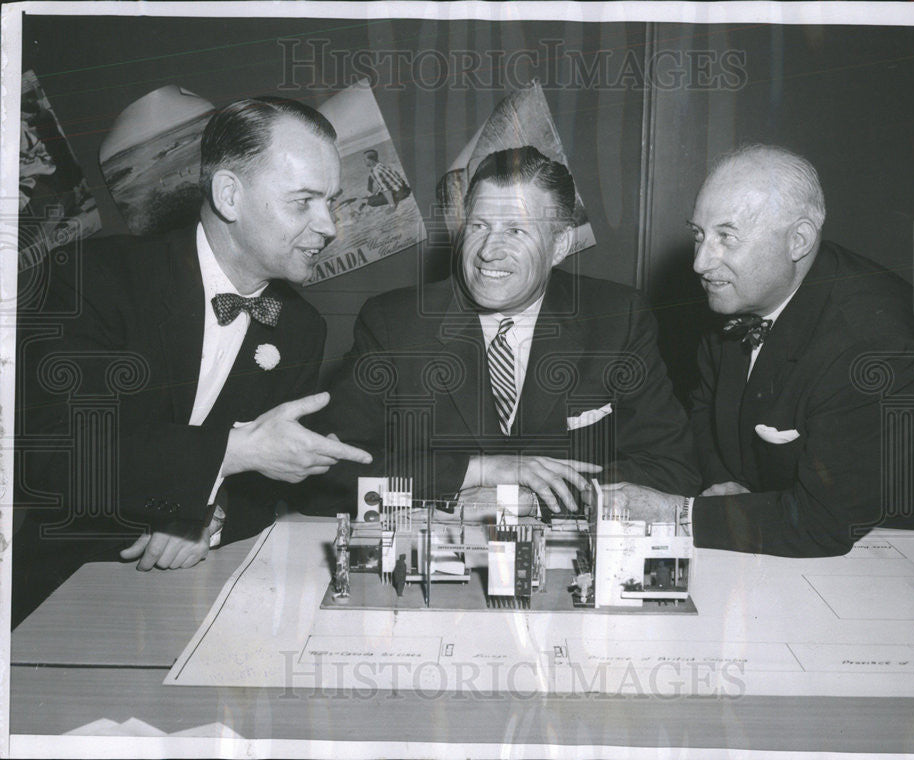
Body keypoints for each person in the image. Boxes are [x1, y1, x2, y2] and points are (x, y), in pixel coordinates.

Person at [13, 96, 371, 625]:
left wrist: (210, 516)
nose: (330, 227)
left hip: (194, 591)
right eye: (303, 201)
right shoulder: (91, 276)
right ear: (230, 195)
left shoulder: (300, 328)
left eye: (331, 201)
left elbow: (258, 492)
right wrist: (230, 451)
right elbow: (52, 454)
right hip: (58, 589)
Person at [604, 144, 914, 557]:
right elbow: (705, 410)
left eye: (726, 237)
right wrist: (729, 491)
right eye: (698, 235)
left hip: (902, 548)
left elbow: (824, 522)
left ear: (799, 240)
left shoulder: (878, 344)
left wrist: (679, 513)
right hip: (775, 528)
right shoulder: (739, 292)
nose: (701, 262)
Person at [322, 146, 700, 516]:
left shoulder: (618, 318)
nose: (489, 250)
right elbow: (331, 476)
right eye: (479, 226)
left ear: (560, 245)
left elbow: (672, 471)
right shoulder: (393, 323)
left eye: (517, 230)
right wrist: (475, 472)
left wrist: (527, 499)